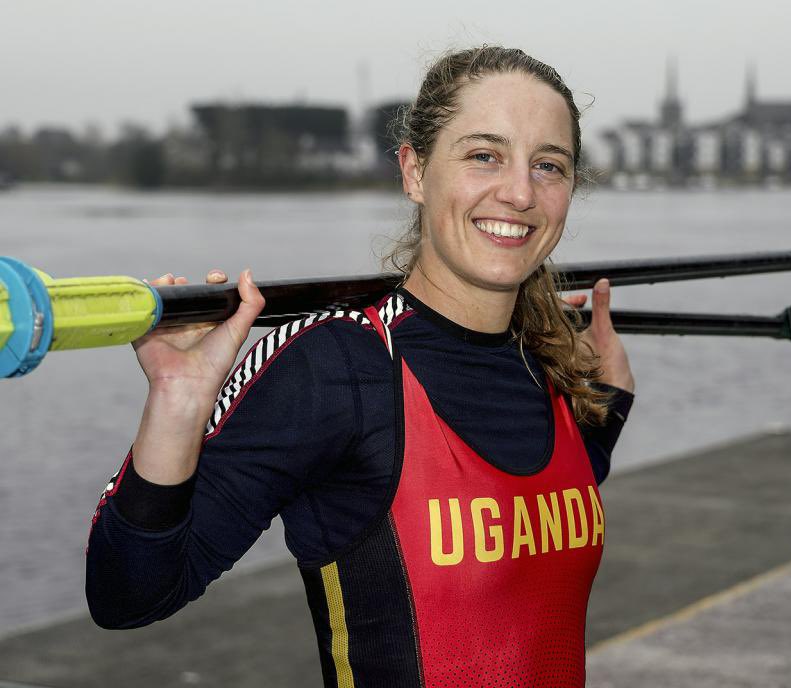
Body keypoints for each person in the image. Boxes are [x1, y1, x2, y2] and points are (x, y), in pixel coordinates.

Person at [86, 46, 635, 687]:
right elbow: (127, 596)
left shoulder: (548, 363)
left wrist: (607, 400)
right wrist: (178, 406)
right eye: (484, 155)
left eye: (548, 165)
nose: (519, 192)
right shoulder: (341, 367)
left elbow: (535, 518)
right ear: (414, 171)